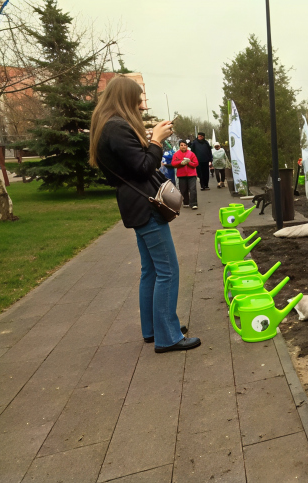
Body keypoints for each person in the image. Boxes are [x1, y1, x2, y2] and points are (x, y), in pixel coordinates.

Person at [88, 76, 200, 353]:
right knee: (168, 270)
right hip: (145, 205)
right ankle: (168, 336)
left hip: (135, 203)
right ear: (125, 99)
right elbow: (143, 167)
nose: (141, 106)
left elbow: (131, 167)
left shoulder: (107, 125)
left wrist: (152, 140)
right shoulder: (116, 127)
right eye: (138, 100)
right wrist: (157, 141)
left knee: (151, 269)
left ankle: (153, 329)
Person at [171, 140, 199, 209]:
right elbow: (173, 163)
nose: (183, 146)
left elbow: (196, 163)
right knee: (183, 190)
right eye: (181, 145)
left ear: (187, 146)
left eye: (184, 145)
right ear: (179, 146)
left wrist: (188, 162)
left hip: (191, 174)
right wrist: (181, 162)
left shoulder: (191, 154)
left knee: (192, 189)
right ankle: (186, 202)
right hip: (181, 175)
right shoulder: (176, 154)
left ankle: (194, 203)